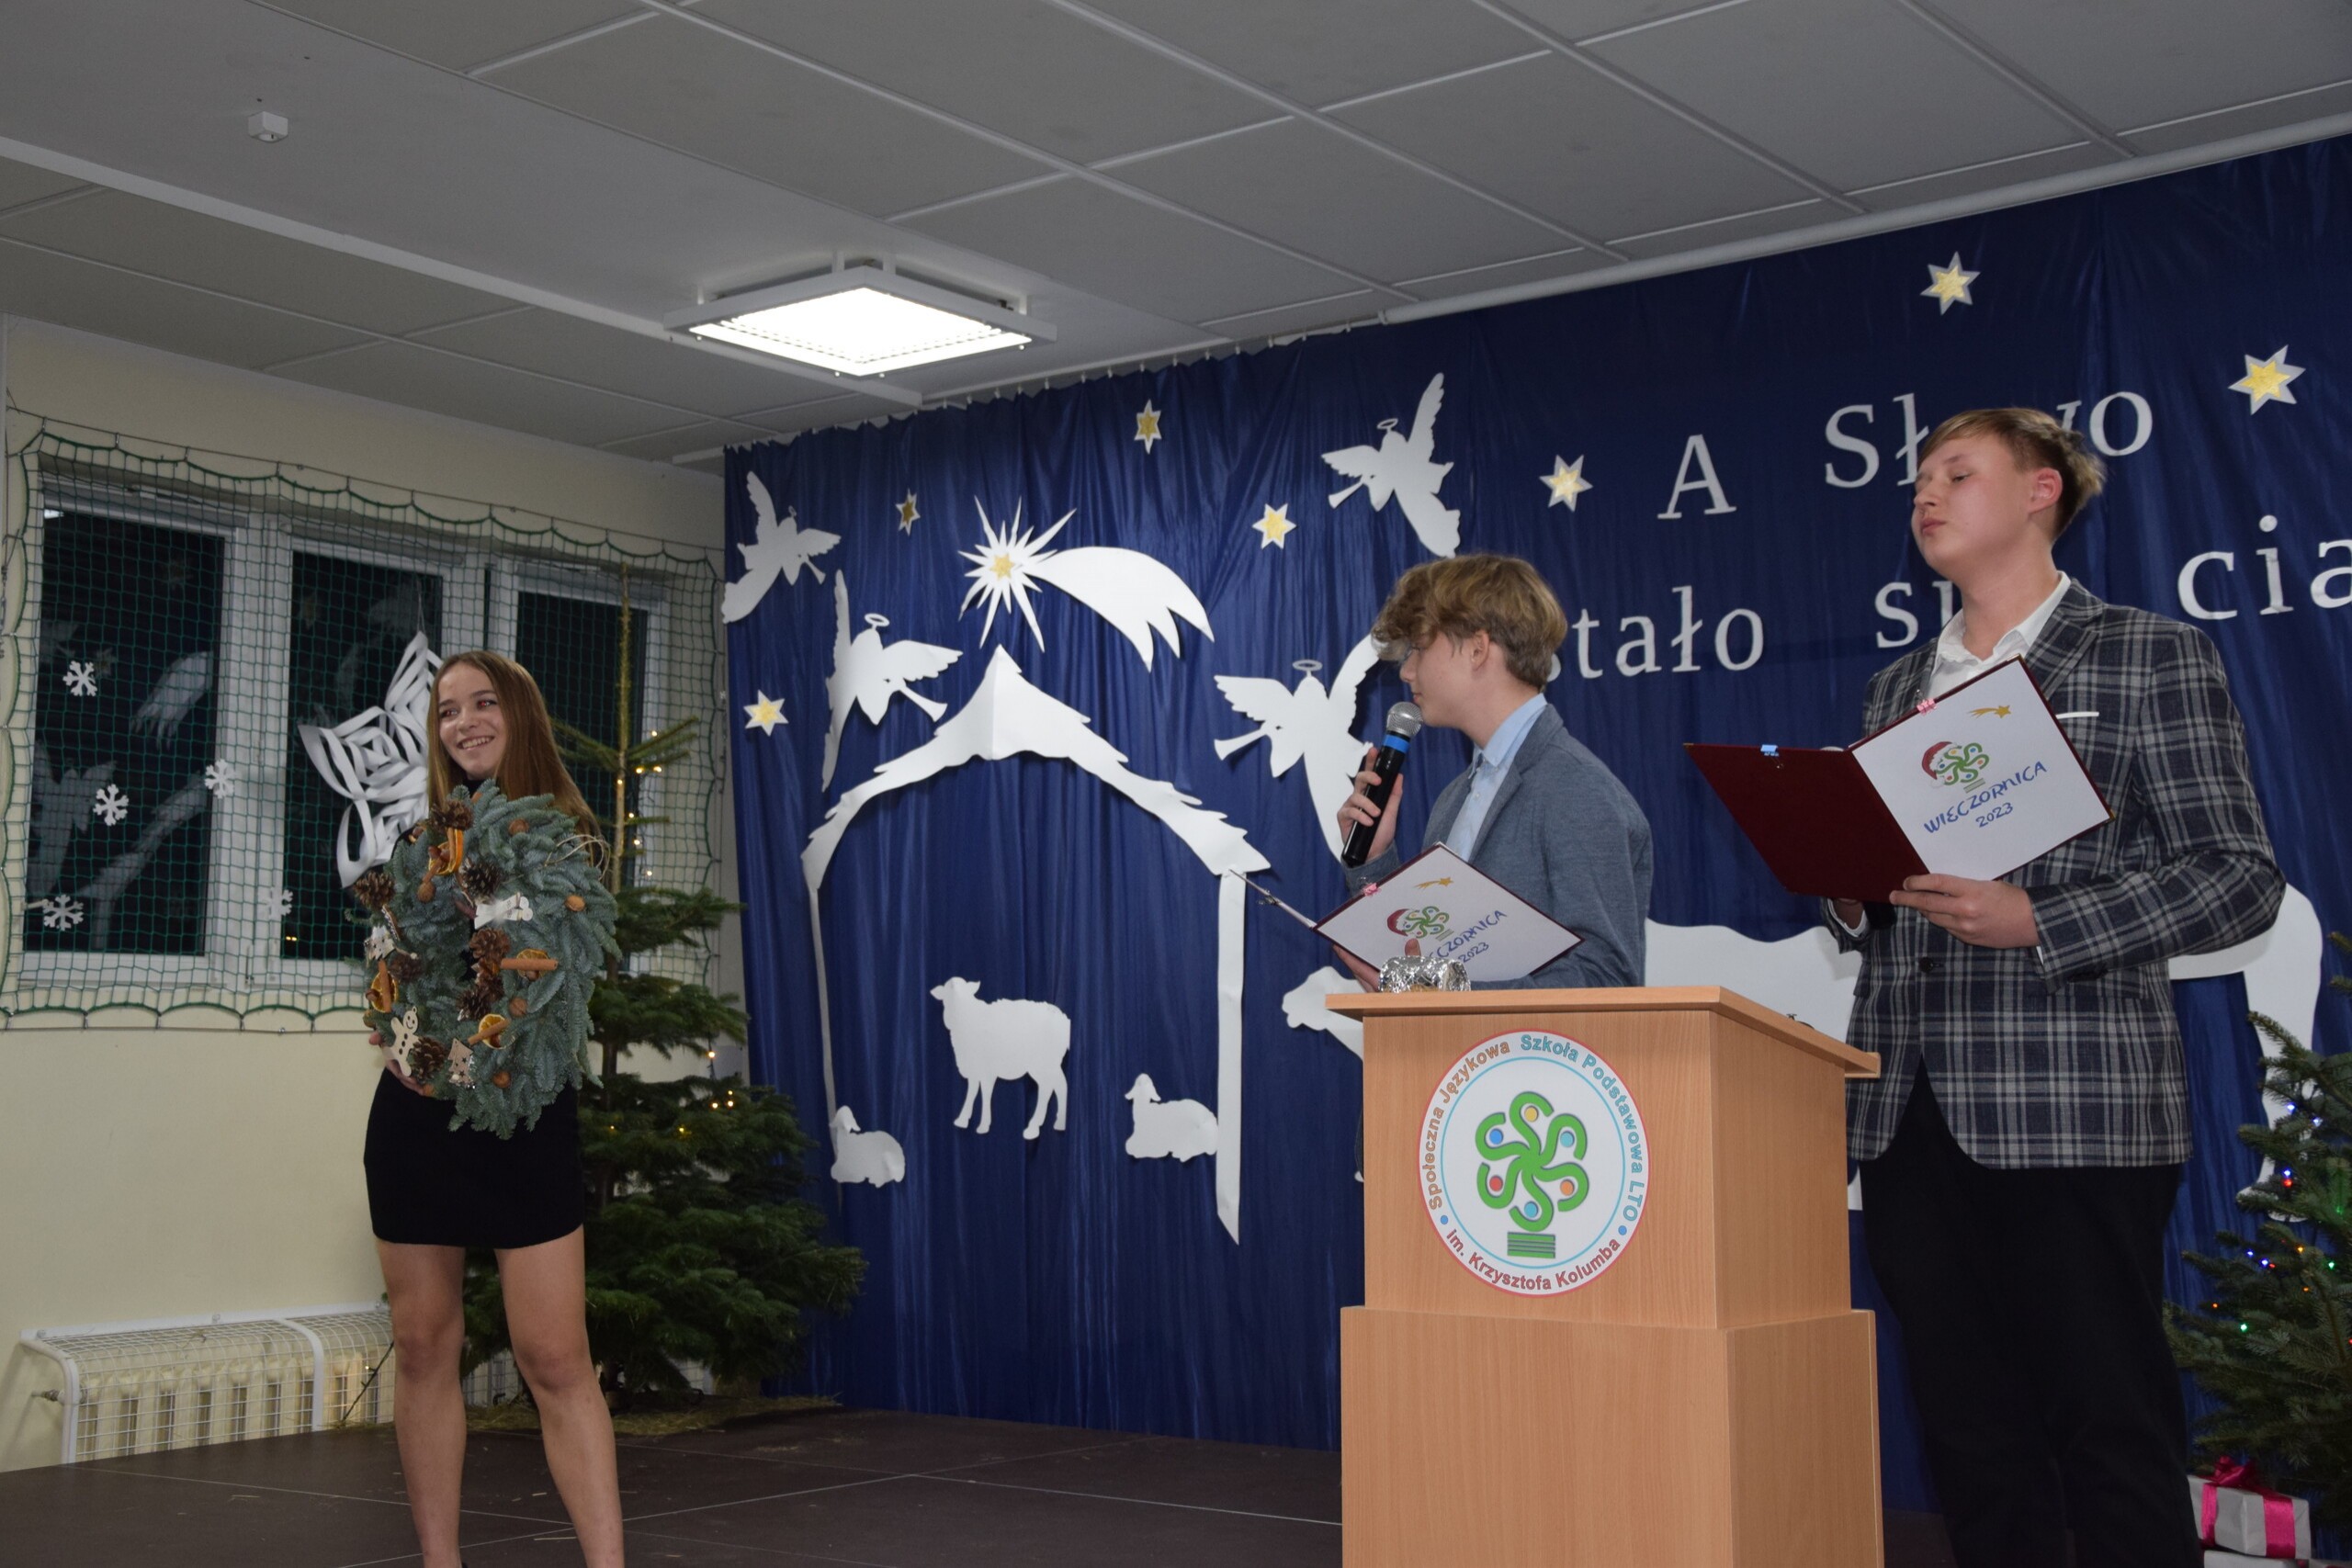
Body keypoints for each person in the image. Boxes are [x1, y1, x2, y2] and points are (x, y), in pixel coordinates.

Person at [1828, 410, 2283, 1568]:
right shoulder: (1895, 688)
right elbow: (1890, 895)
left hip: (2075, 1111)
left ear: (2042, 492)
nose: (1925, 495)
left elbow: (2236, 878)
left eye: (1956, 472)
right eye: (1918, 479)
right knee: (1969, 1435)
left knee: (2107, 1425)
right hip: (1907, 1114)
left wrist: (2042, 920)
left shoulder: (2144, 655)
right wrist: (1850, 892)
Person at [363, 651, 626, 1568]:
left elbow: (537, 980)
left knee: (554, 1358)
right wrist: (405, 1038)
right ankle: (441, 1560)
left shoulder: (566, 841)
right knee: (422, 1346)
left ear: (519, 714)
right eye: (446, 711)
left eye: (482, 704)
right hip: (415, 1118)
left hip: (524, 1116)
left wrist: (470, 1045)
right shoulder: (422, 844)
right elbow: (390, 959)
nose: (463, 723)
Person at [1334, 553, 1650, 988]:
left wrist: (1445, 995)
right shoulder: (1454, 799)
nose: (1406, 671)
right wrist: (1373, 861)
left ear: (1477, 649)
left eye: (1419, 648)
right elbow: (1426, 954)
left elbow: (1605, 980)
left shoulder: (1578, 789)